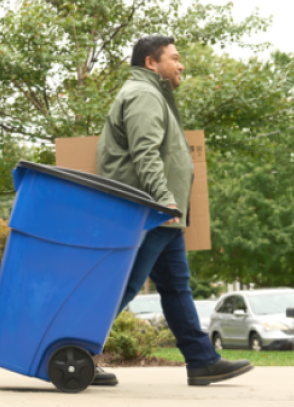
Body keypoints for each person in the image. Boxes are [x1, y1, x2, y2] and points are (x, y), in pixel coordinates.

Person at [94, 36, 253, 386]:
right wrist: (164, 199)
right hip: (148, 211)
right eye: (175, 58)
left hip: (162, 215)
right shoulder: (144, 95)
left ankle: (201, 360)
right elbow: (145, 152)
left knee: (177, 287)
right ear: (152, 63)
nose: (182, 65)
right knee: (123, 285)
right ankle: (71, 350)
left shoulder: (153, 95)